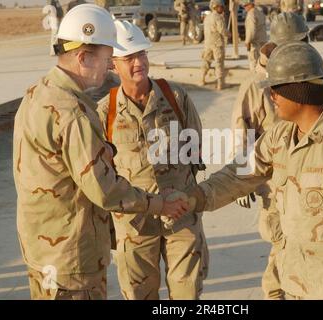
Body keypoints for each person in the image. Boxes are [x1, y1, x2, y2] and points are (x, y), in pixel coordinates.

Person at [185, 41, 323, 300]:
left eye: (275, 90)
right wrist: (192, 198)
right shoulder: (280, 137)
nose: (271, 97)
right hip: (294, 283)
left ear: (298, 92)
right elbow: (238, 175)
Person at [13, 4, 188, 300]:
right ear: (83, 57)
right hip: (73, 260)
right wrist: (158, 205)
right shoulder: (73, 113)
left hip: (43, 250)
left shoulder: (37, 93)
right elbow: (105, 189)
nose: (109, 67)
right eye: (107, 58)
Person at [231, 11, 323, 299]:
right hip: (276, 180)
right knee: (282, 245)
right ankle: (276, 293)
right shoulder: (257, 85)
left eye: (302, 42)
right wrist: (244, 176)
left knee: (308, 243)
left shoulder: (311, 69)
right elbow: (241, 130)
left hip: (315, 180)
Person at [96, 20, 209, 300]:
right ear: (112, 63)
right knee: (139, 295)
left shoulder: (175, 96)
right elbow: (103, 175)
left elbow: (196, 151)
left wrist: (191, 196)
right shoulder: (105, 112)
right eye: (130, 57)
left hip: (182, 217)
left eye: (142, 54)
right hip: (135, 225)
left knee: (187, 294)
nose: (139, 63)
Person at [201, 0, 227, 90]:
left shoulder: (207, 18)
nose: (223, 9)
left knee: (206, 61)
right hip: (217, 44)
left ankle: (202, 79)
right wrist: (229, 34)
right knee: (219, 63)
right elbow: (222, 30)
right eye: (221, 7)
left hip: (207, 43)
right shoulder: (218, 18)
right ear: (217, 7)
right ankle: (220, 84)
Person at [240, 0, 268, 71]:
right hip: (262, 42)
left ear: (250, 5)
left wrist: (247, 41)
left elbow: (251, 30)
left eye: (245, 5)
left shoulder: (251, 14)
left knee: (254, 64)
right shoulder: (259, 12)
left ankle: (255, 80)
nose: (245, 8)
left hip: (255, 44)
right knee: (262, 64)